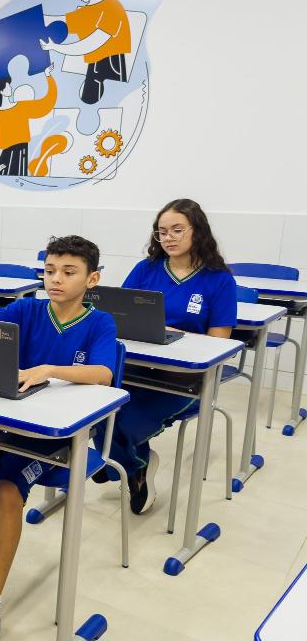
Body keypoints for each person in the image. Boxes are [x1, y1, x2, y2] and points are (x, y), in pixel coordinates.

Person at [0, 235, 116, 641]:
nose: (56, 279)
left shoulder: (99, 323)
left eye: (68, 272)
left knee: (5, 493)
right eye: (50, 271)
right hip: (7, 425)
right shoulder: (28, 309)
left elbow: (104, 373)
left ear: (92, 279)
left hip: (52, 440)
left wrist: (49, 370)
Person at [93, 198, 236, 514]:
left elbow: (219, 342)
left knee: (125, 420)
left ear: (197, 231)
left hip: (185, 379)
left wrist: (173, 333)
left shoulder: (219, 279)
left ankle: (125, 464)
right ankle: (130, 463)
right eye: (162, 231)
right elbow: (119, 314)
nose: (168, 237)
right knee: (98, 408)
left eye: (177, 230)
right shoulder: (146, 270)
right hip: (135, 368)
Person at [41, 0, 132, 104]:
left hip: (110, 63)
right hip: (93, 63)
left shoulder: (111, 5)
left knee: (109, 100)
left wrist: (55, 47)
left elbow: (90, 44)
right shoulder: (86, 11)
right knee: (86, 100)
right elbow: (63, 20)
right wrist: (36, 18)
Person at [0, 65, 57, 176]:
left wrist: (48, 76)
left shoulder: (21, 107)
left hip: (23, 154)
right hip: (7, 157)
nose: (11, 88)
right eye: (8, 86)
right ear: (1, 91)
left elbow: (47, 104)